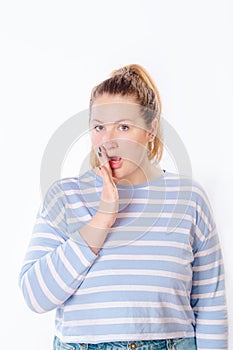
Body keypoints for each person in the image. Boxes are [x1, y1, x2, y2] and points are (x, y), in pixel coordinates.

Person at [19, 64, 228, 350]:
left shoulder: (188, 197)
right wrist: (103, 217)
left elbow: (210, 301)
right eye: (99, 127)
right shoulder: (65, 196)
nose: (108, 141)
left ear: (151, 129)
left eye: (124, 126)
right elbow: (35, 296)